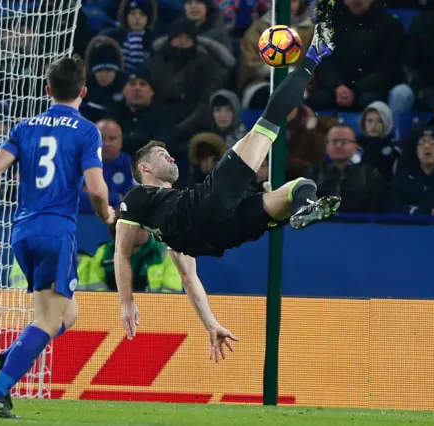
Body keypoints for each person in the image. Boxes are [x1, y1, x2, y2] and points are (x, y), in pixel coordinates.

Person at [114, 5, 340, 362]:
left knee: (298, 186)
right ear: (143, 166)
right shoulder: (138, 197)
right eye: (161, 154)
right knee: (268, 122)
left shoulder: (169, 227)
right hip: (208, 206)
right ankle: (315, 54)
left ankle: (302, 209)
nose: (171, 157)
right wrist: (126, 302)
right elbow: (121, 252)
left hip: (225, 232)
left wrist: (210, 324)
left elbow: (190, 280)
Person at [0, 56, 114, 418]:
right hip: (56, 231)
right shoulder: (86, 130)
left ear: (48, 90)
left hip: (22, 231)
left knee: (69, 313)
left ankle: (7, 360)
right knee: (49, 320)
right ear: (83, 91)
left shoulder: (24, 127)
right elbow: (98, 190)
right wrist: (108, 216)